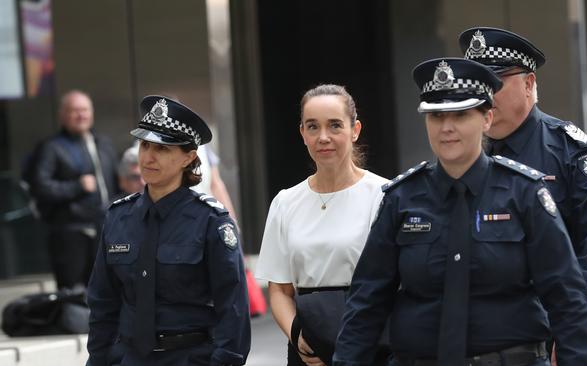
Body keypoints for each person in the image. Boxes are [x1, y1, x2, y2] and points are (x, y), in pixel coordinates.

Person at [333, 58, 587, 366]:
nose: (446, 127)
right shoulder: (401, 199)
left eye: (460, 114)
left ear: (486, 119)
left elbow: (567, 300)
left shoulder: (524, 193)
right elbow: (366, 304)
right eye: (436, 116)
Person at [459, 27, 587, 366]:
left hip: (561, 340)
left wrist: (575, 335)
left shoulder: (570, 152)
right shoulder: (463, 155)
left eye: (496, 83)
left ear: (529, 83)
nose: (486, 96)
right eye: (478, 85)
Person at [86, 96, 251, 366]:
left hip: (190, 357)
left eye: (162, 149)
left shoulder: (211, 221)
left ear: (189, 157)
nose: (148, 157)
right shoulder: (118, 217)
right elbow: (103, 303)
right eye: (145, 145)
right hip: (128, 358)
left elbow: (232, 310)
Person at [255, 84, 389, 366]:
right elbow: (279, 289)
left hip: (369, 343)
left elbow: (395, 285)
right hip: (308, 345)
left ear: (355, 130)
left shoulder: (385, 195)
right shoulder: (285, 202)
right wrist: (298, 337)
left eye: (335, 126)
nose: (323, 137)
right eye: (313, 127)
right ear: (302, 133)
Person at [31, 89, 118, 290]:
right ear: (62, 115)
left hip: (105, 229)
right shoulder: (52, 147)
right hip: (70, 234)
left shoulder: (103, 143)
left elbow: (116, 181)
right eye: (74, 110)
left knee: (105, 290)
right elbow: (40, 187)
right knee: (73, 294)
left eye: (85, 110)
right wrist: (76, 187)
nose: (81, 115)